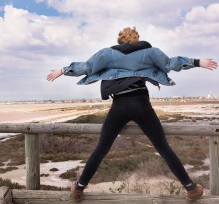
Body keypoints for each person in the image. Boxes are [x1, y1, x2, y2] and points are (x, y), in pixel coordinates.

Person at [46, 27, 218, 202]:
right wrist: (197, 62)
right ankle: (191, 189)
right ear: (137, 39)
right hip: (141, 104)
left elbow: (87, 67)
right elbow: (170, 64)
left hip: (119, 105)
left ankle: (78, 189)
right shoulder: (150, 52)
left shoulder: (107, 54)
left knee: (101, 149)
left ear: (120, 40)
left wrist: (62, 70)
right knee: (163, 148)